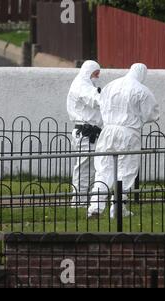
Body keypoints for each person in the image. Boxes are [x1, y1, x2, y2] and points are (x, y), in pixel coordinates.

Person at [88, 63, 160, 219]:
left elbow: (102, 105)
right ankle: (119, 208)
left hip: (108, 131)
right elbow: (152, 114)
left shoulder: (110, 86)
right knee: (126, 169)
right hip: (128, 132)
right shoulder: (141, 90)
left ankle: (95, 206)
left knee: (104, 168)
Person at [67, 60, 103, 206]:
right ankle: (78, 201)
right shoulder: (82, 85)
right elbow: (94, 100)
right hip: (86, 133)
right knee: (83, 168)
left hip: (90, 132)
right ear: (89, 72)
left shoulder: (86, 85)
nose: (97, 77)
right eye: (95, 74)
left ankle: (83, 198)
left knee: (88, 168)